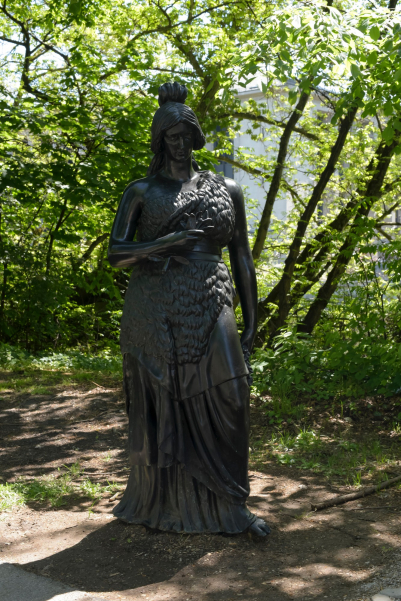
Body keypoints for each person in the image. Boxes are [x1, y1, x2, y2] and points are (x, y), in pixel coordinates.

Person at [108, 82, 270, 536]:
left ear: (197, 137)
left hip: (211, 297)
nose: (179, 144)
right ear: (160, 141)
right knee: (164, 403)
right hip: (154, 306)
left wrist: (252, 318)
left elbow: (241, 255)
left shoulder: (228, 188)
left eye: (186, 135)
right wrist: (165, 243)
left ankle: (230, 504)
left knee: (232, 396)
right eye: (170, 137)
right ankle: (164, 503)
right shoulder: (141, 190)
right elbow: (116, 254)